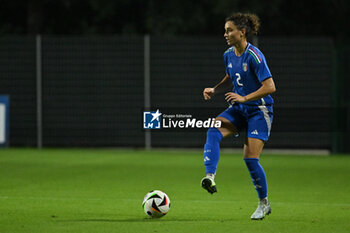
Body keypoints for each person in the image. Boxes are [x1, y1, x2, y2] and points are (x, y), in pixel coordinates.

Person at [201, 12, 276, 220]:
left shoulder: (254, 55)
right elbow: (230, 77)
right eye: (225, 31)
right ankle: (210, 176)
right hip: (240, 109)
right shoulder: (228, 54)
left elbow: (270, 86)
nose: (225, 34)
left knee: (250, 159)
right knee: (213, 129)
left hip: (259, 111)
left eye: (229, 30)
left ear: (242, 32)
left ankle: (264, 203)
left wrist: (244, 99)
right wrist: (214, 89)